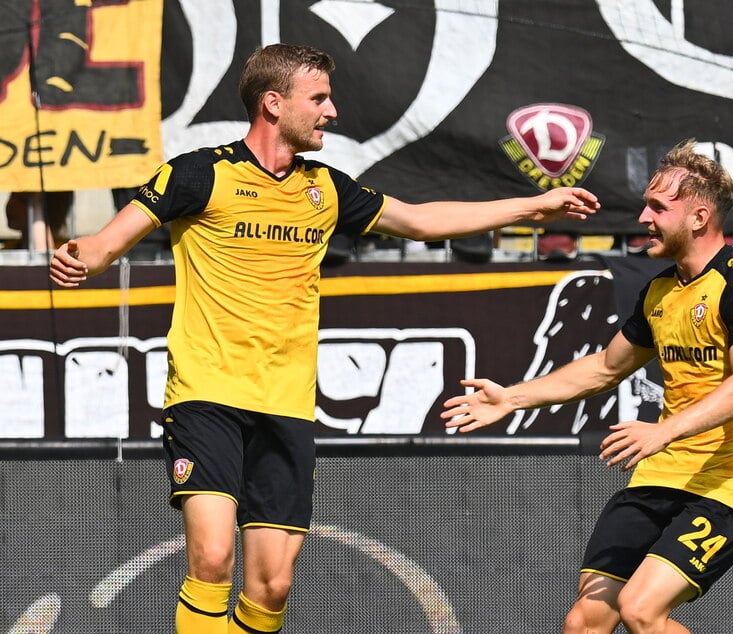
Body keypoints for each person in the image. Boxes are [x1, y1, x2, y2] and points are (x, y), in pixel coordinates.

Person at [49, 43, 598, 634]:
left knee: (272, 585)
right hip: (206, 395)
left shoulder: (327, 189)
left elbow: (420, 220)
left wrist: (533, 204)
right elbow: (106, 243)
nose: (332, 111)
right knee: (211, 558)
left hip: (286, 404)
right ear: (273, 103)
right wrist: (79, 258)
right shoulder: (197, 173)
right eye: (320, 99)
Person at [443, 139, 733, 634]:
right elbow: (605, 367)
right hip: (659, 477)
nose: (643, 218)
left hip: (727, 486)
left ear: (699, 217)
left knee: (642, 611)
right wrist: (511, 398)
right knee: (585, 620)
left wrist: (662, 432)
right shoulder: (660, 291)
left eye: (657, 207)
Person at [5, 190, 73, 251]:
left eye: (24, 201)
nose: (11, 205)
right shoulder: (9, 249)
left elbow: (45, 258)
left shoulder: (65, 249)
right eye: (11, 196)